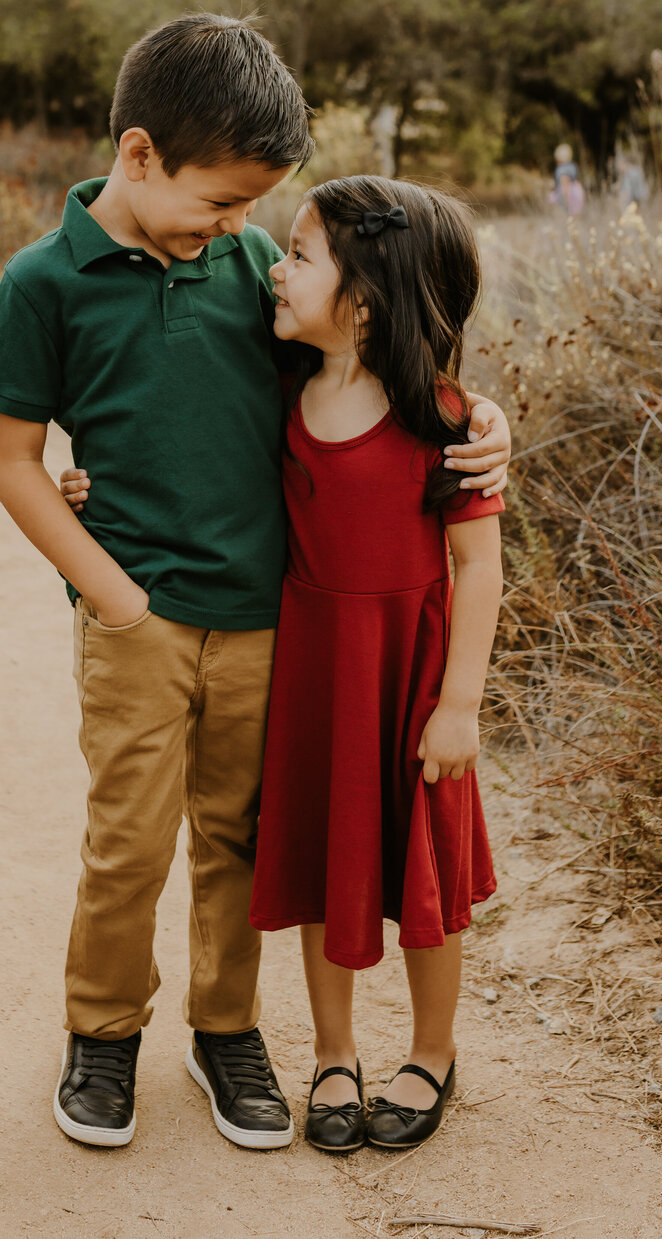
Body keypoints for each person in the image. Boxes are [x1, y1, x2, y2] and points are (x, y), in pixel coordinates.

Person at [0, 14, 512, 1154]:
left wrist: (481, 423)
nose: (240, 227)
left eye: (255, 209)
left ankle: (228, 1029)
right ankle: (104, 1029)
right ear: (136, 155)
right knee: (129, 837)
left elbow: (366, 372)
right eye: (220, 202)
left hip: (270, 620)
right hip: (137, 619)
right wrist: (109, 591)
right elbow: (16, 458)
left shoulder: (257, 269)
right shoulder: (44, 282)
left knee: (241, 839)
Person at [250, 176, 504, 1156]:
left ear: (361, 301)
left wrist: (459, 704)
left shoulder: (440, 417)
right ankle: (333, 1047)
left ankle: (433, 1050)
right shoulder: (281, 398)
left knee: (422, 873)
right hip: (319, 677)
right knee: (328, 860)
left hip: (411, 678)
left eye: (303, 254)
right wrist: (84, 477)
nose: (279, 266)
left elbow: (480, 568)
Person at [548, 142, 585, 217]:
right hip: (577, 190)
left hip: (567, 193)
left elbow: (564, 183)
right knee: (575, 215)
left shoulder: (561, 169)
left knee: (565, 214)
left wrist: (566, 197)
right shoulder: (572, 166)